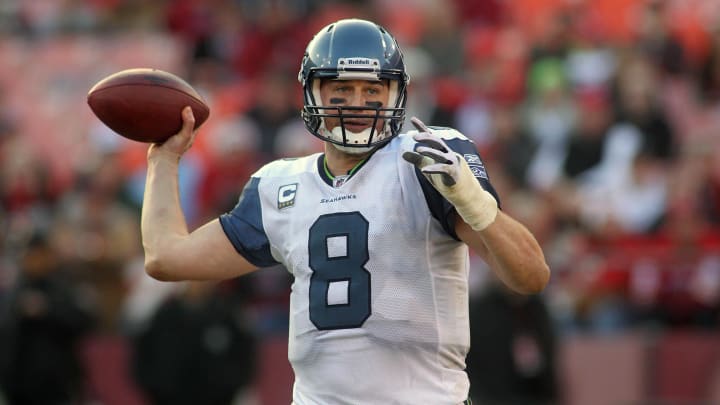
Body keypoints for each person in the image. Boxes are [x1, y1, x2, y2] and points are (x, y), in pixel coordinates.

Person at [141, 18, 550, 405]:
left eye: (373, 90)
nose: (358, 103)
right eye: (342, 89)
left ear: (396, 95)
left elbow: (530, 276)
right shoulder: (280, 185)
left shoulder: (427, 159)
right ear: (312, 93)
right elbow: (168, 257)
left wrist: (473, 202)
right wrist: (164, 161)